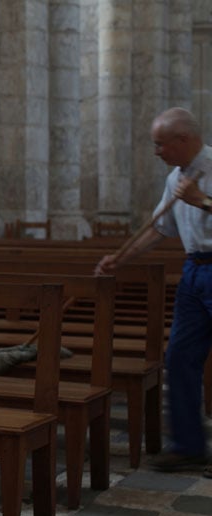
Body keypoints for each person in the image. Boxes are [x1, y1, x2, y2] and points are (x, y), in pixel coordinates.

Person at [95, 107, 212, 477]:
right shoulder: (175, 178)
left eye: (160, 144)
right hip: (195, 270)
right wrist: (121, 257)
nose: (156, 151)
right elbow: (158, 228)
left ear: (183, 140)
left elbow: (200, 205)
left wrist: (203, 201)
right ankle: (189, 446)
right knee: (178, 358)